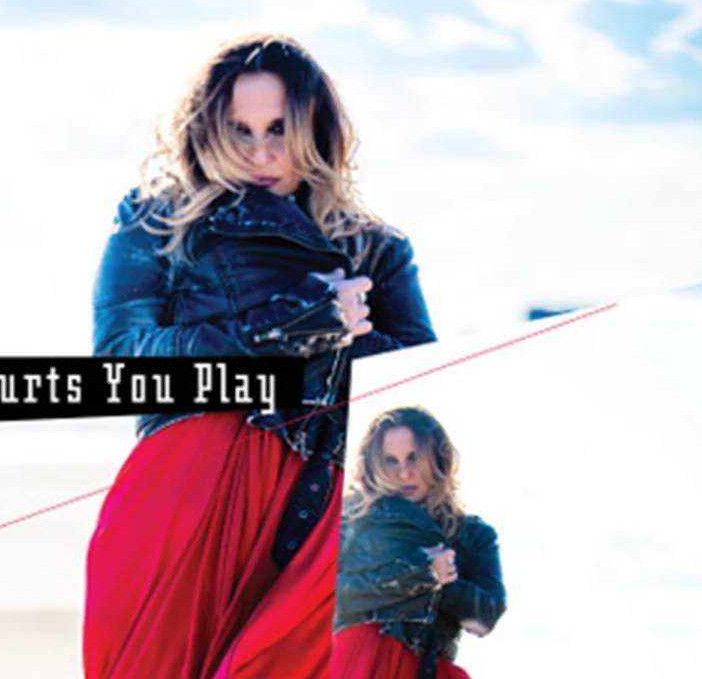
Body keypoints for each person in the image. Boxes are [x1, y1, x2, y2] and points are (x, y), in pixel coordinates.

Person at [84, 33, 437, 679]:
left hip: (328, 513)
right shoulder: (159, 220)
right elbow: (121, 361)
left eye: (279, 128)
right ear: (207, 131)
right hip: (183, 504)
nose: (260, 153)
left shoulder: (376, 248)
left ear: (316, 127)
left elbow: (425, 398)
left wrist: (343, 344)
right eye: (238, 131)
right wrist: (274, 329)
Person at [332, 407, 506, 679]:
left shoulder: (472, 533)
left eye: (414, 458)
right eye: (391, 461)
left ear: (437, 457)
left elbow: (486, 617)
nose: (404, 474)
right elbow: (330, 596)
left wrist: (445, 583)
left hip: (429, 666)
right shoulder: (352, 520)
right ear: (374, 465)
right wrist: (416, 576)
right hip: (359, 660)